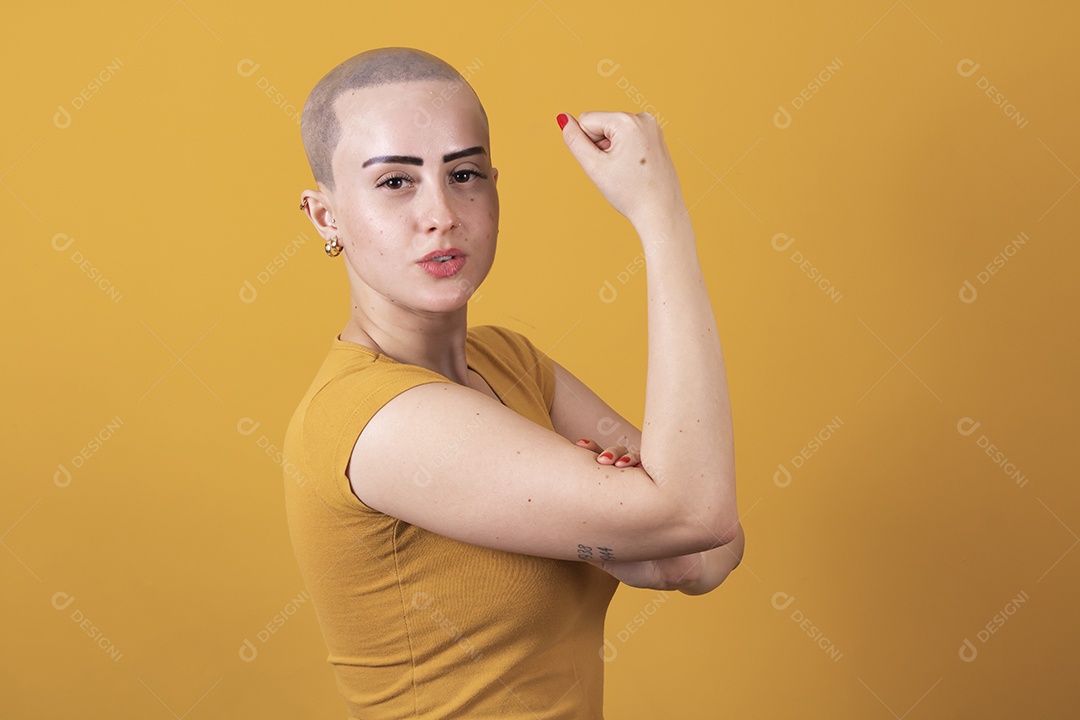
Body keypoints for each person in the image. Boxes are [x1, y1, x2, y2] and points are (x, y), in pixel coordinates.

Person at [284, 46, 745, 719]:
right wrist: (660, 218)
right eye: (395, 182)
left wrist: (661, 533)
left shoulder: (509, 363)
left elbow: (704, 545)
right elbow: (695, 509)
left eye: (464, 173)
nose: (441, 212)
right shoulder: (375, 419)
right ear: (325, 216)